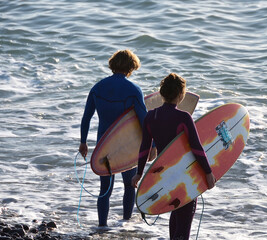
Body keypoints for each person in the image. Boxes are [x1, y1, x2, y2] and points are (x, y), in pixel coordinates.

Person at [131, 73, 216, 240]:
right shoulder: (184, 117)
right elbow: (197, 148)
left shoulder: (151, 116)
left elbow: (144, 148)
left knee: (176, 212)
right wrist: (208, 172)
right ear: (180, 94)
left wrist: (139, 173)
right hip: (184, 176)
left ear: (162, 93)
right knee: (184, 221)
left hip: (165, 176)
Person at [79, 49, 147, 227]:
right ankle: (125, 223)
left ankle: (102, 226)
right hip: (127, 146)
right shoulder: (134, 90)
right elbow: (144, 121)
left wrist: (83, 142)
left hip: (104, 144)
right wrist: (152, 144)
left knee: (105, 189)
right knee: (129, 184)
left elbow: (86, 117)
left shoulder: (97, 87)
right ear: (131, 67)